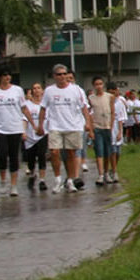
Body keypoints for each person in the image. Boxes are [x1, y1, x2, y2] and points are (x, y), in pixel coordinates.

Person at [40, 64, 93, 194]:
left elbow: (84, 108)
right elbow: (43, 108)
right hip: (55, 126)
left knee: (71, 154)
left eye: (64, 74)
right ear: (54, 76)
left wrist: (88, 123)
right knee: (54, 152)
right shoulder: (49, 91)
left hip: (72, 126)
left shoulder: (76, 90)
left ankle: (70, 180)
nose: (62, 76)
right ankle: (58, 179)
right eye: (59, 74)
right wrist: (40, 125)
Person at [0, 68, 29, 196]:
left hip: (15, 127)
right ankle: (3, 180)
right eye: (4, 75)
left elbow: (24, 108)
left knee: (14, 156)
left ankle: (13, 185)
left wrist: (34, 124)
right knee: (2, 155)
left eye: (9, 74)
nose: (7, 77)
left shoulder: (17, 90)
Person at [87, 76, 115, 186]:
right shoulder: (91, 98)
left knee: (107, 152)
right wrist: (91, 129)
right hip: (97, 127)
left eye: (100, 84)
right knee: (99, 151)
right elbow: (89, 113)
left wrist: (112, 125)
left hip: (107, 126)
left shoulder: (109, 97)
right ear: (94, 86)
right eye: (96, 84)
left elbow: (112, 112)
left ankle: (107, 172)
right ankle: (101, 174)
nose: (99, 86)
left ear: (103, 85)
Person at [22, 83, 48, 192]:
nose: (36, 90)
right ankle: (32, 174)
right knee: (31, 159)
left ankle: (42, 180)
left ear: (42, 91)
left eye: (38, 88)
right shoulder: (27, 105)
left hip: (43, 134)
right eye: (34, 88)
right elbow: (24, 119)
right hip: (30, 135)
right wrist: (23, 132)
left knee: (42, 155)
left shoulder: (46, 104)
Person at [107, 82, 126, 182]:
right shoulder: (106, 103)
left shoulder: (119, 103)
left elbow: (120, 119)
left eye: (113, 93)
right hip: (109, 131)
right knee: (112, 152)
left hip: (117, 131)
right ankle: (114, 172)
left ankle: (112, 169)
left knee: (118, 152)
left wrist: (119, 132)